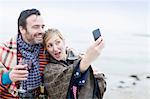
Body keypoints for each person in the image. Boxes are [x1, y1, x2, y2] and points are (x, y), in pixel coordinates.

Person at [0, 8, 50, 98]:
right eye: (36, 27)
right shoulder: (4, 51)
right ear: (22, 29)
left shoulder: (47, 50)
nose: (41, 31)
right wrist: (8, 77)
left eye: (42, 27)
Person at [43, 28, 106, 99]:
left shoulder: (78, 58)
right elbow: (67, 75)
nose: (55, 48)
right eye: (50, 45)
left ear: (63, 41)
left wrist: (96, 74)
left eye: (57, 42)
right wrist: (87, 60)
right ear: (46, 49)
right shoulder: (49, 70)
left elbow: (101, 84)